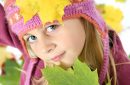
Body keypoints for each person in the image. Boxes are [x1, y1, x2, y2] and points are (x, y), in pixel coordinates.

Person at [0, 0, 130, 85]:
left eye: (51, 27)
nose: (45, 48)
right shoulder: (35, 56)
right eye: (31, 38)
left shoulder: (123, 75)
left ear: (86, 18)